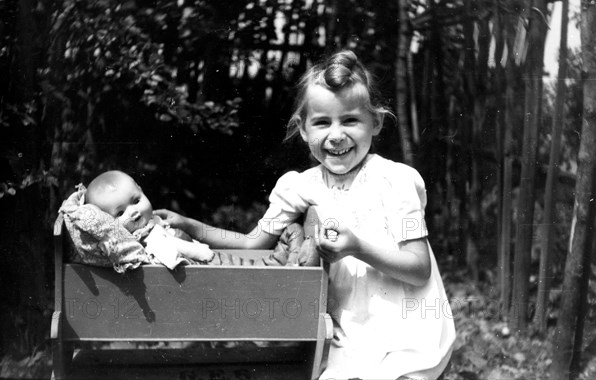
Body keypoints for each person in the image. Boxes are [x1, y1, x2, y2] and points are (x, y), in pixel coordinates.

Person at [157, 50, 455, 379]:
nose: (336, 134)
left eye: (351, 120)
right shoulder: (300, 186)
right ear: (303, 129)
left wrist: (357, 247)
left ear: (376, 122)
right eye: (322, 122)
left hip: (408, 332)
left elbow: (419, 268)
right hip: (351, 336)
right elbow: (251, 243)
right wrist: (190, 225)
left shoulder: (396, 181)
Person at [64, 170, 313, 271]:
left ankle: (286, 263)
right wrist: (195, 240)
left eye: (136, 200)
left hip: (214, 263)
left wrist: (184, 223)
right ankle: (289, 268)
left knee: (287, 235)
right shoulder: (138, 243)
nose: (134, 212)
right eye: (119, 214)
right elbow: (173, 249)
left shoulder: (154, 227)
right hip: (209, 269)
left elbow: (251, 244)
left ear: (141, 189)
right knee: (252, 268)